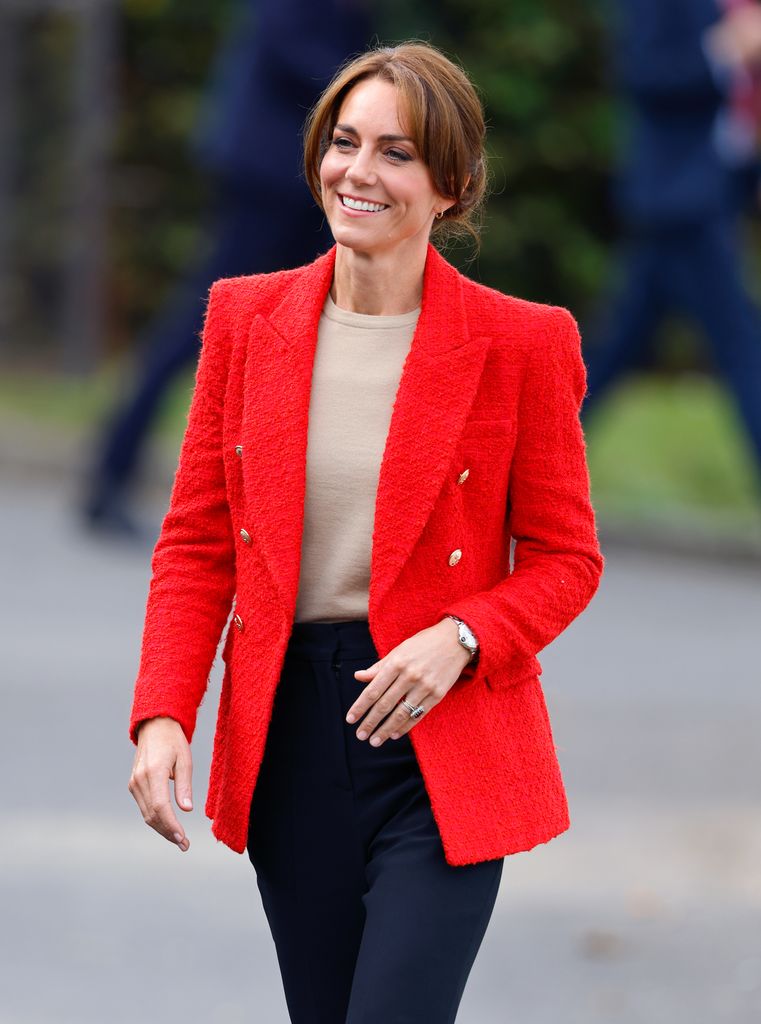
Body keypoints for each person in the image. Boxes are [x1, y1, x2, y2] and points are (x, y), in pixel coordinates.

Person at [127, 42, 604, 1024]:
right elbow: (196, 545)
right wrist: (164, 711)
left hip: (442, 744)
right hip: (292, 736)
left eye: (395, 152)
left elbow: (566, 559)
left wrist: (464, 634)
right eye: (343, 143)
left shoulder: (523, 343)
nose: (359, 170)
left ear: (450, 185)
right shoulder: (243, 319)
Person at [82, 0, 370, 537]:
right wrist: (378, 83)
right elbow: (297, 55)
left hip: (307, 178)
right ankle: (111, 473)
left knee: (306, 336)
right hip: (269, 176)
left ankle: (275, 506)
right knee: (205, 319)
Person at [582, 0, 761, 488]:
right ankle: (515, 470)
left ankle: (515, 469)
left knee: (614, 352)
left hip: (709, 196)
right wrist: (723, 51)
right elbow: (645, 73)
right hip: (680, 201)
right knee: (745, 347)